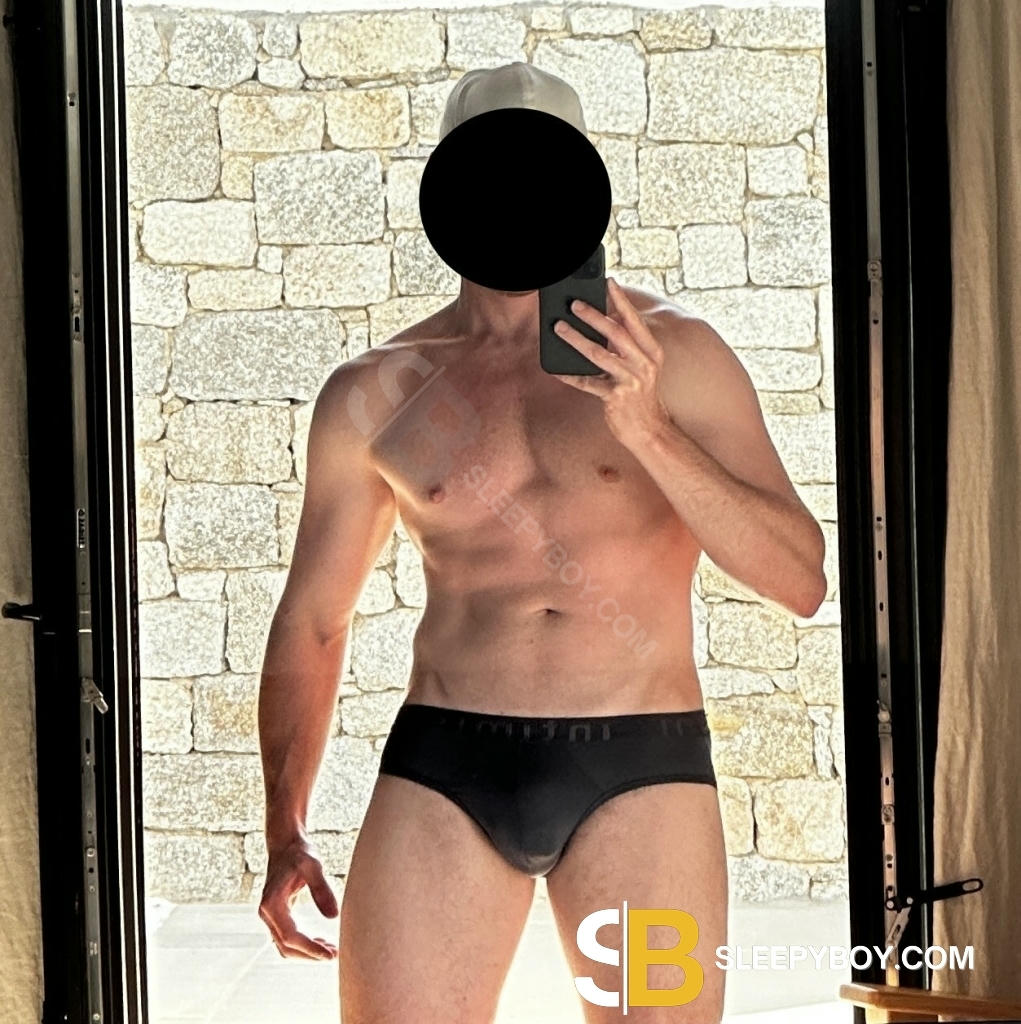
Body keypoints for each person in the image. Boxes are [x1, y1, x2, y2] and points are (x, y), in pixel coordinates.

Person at [256, 64, 827, 1024]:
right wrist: (285, 825)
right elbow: (313, 621)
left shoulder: (675, 355)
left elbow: (799, 580)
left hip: (639, 762)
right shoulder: (378, 388)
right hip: (446, 759)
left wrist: (646, 427)